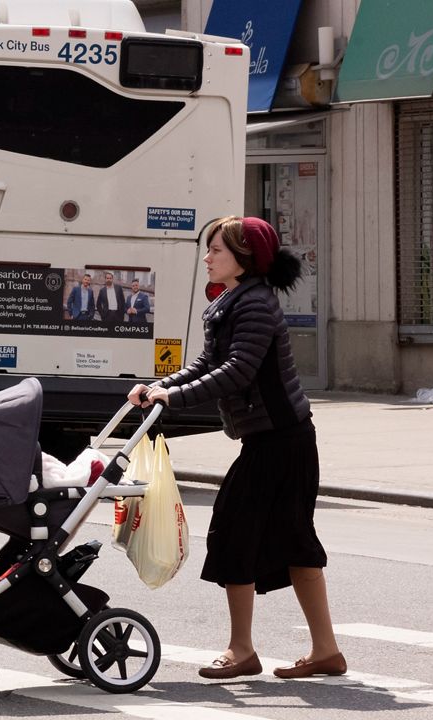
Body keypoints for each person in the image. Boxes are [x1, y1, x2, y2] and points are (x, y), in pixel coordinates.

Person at [127, 216, 346, 681]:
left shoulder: (255, 305)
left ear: (244, 259)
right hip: (276, 438)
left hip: (281, 441)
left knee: (238, 533)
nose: (207, 258)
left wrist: (175, 397)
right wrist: (159, 386)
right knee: (291, 539)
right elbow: (210, 362)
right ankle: (323, 650)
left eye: (216, 251)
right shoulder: (236, 300)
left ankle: (244, 649)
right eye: (208, 250)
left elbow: (238, 371)